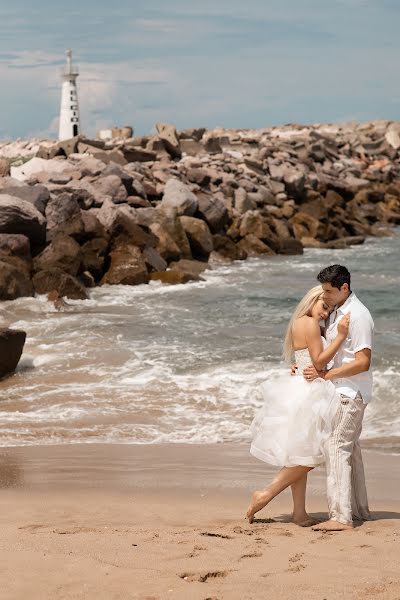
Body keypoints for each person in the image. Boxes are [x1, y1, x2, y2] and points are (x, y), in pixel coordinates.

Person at [246, 285, 349, 526]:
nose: (325, 313)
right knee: (312, 455)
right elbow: (319, 360)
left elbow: (304, 358)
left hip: (299, 387)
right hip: (309, 391)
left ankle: (299, 513)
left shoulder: (299, 322)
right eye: (323, 306)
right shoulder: (310, 323)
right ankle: (266, 493)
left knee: (298, 453)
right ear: (312, 300)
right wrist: (342, 336)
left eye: (330, 309)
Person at [304, 265, 373, 531]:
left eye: (329, 291)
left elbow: (363, 362)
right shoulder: (337, 313)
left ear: (344, 288)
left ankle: (341, 517)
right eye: (324, 291)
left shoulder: (358, 316)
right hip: (342, 390)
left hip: (350, 392)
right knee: (350, 449)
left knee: (336, 447)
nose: (325, 297)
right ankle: (359, 510)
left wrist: (327, 375)